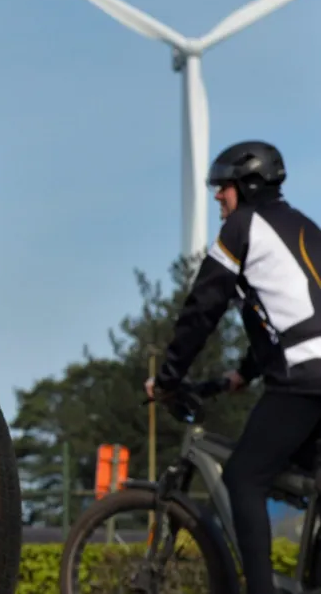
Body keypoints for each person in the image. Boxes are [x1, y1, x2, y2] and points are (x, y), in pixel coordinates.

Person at [147, 140, 321, 594]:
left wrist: (168, 378)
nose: (218, 201)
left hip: (305, 378)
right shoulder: (304, 227)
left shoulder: (243, 228)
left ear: (246, 186)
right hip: (311, 371)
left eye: (221, 190)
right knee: (302, 471)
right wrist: (243, 373)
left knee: (245, 477)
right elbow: (286, 314)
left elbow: (204, 306)